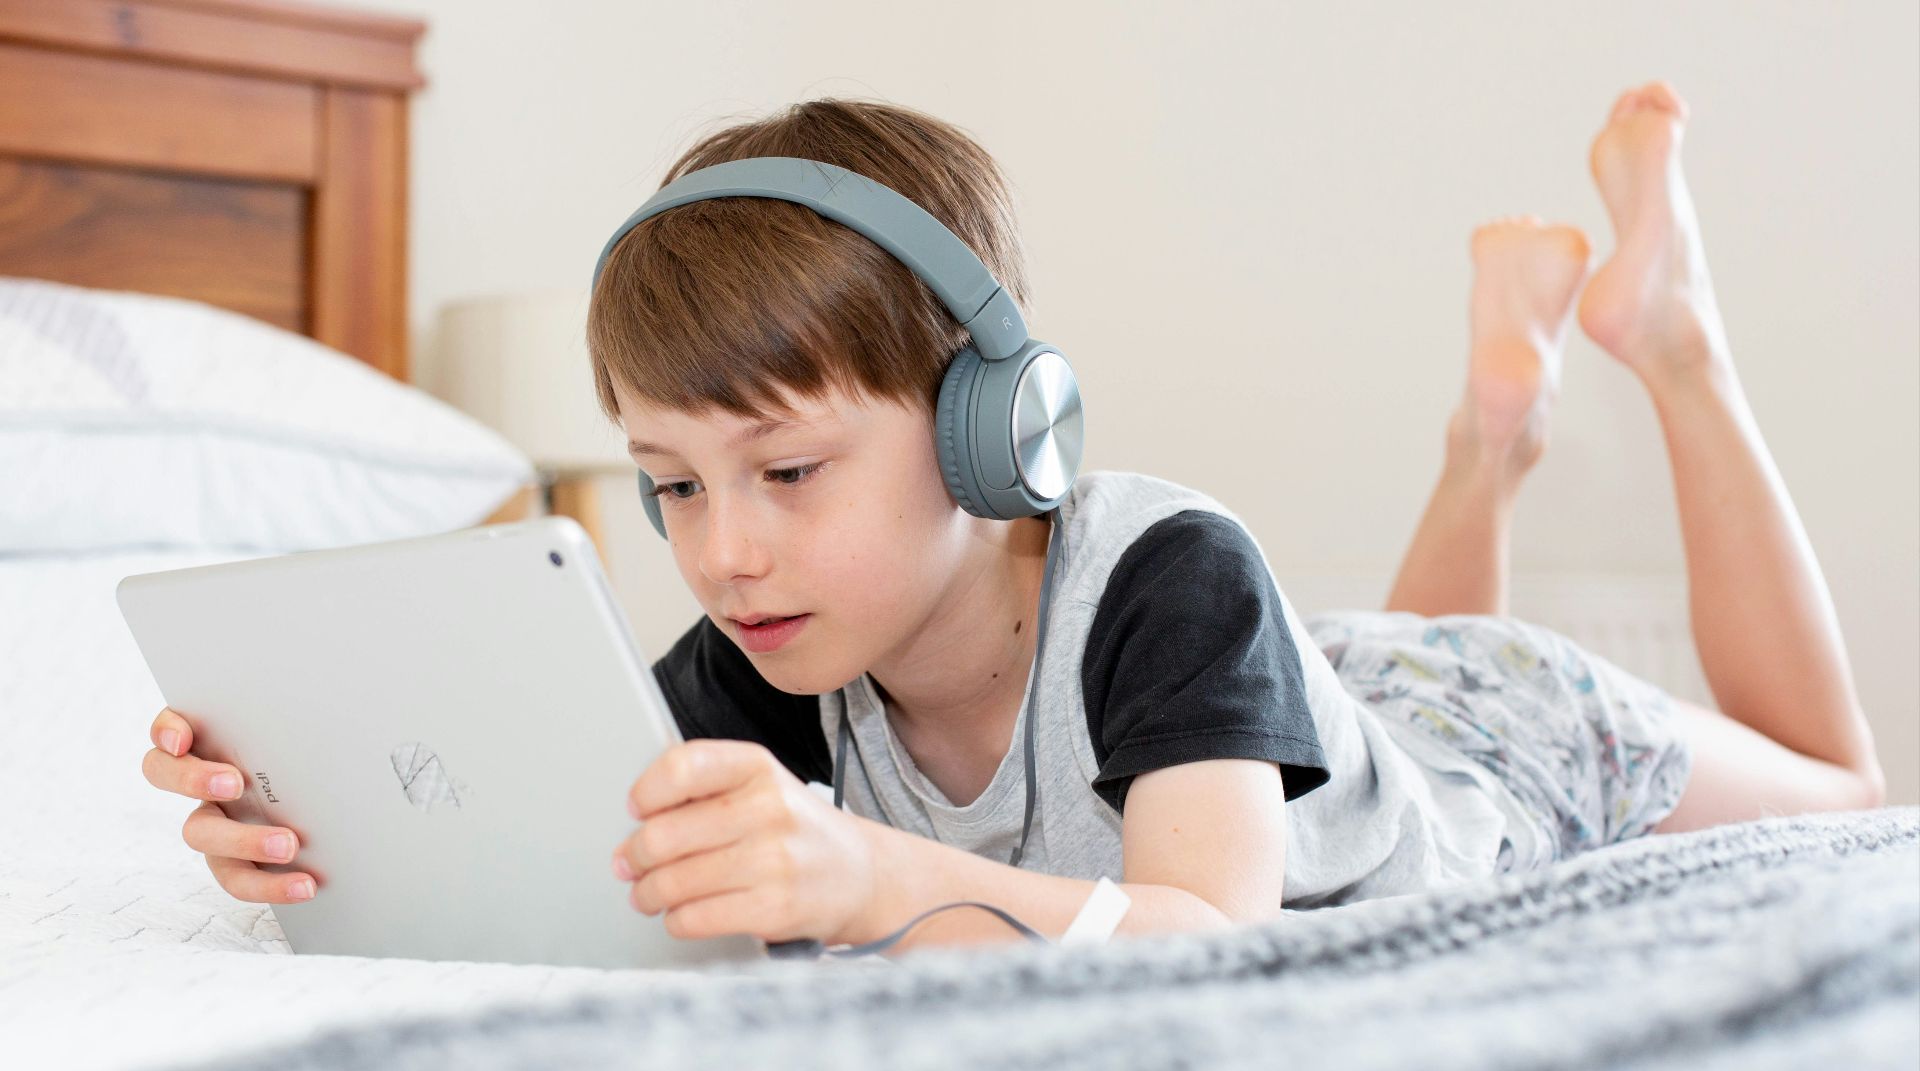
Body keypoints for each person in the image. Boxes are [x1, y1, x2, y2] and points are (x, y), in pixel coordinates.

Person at [141, 82, 1886, 957]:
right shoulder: (759, 648)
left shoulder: (1174, 570)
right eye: (672, 484)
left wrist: (884, 874)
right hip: (1322, 710)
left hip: (1492, 751)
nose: (722, 549)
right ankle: (1493, 430)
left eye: (789, 472)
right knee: (1377, 674)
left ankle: (1672, 344)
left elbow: (1202, 937)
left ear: (997, 432)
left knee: (1847, 787)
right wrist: (310, 845)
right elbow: (580, 883)